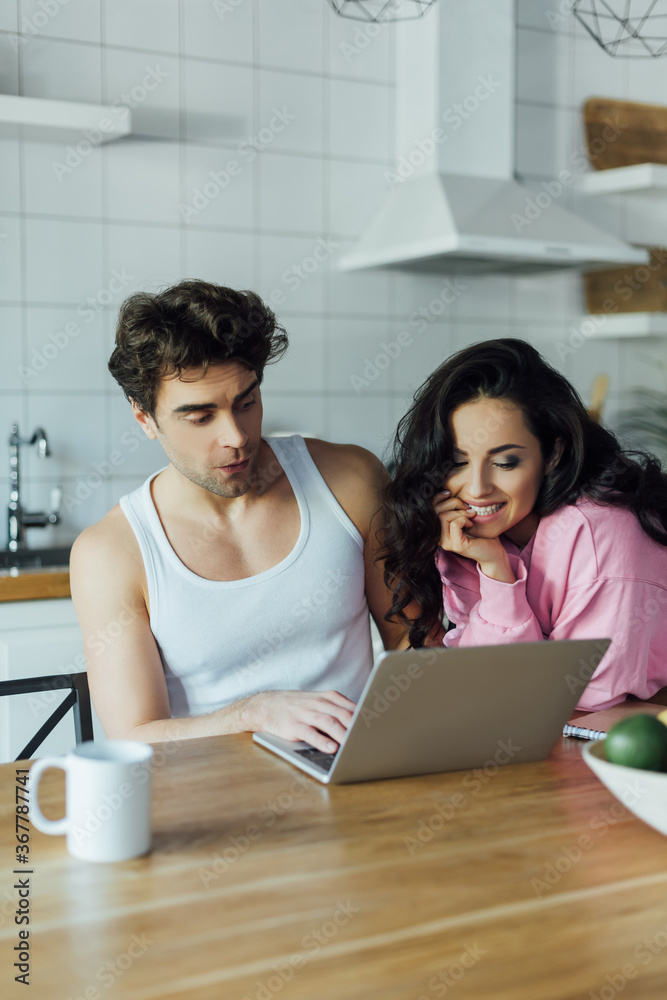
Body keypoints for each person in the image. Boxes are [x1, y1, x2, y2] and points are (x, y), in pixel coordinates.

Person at [70, 280, 406, 751]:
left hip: (355, 780)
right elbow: (134, 735)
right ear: (144, 418)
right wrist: (253, 713)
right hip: (213, 802)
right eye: (200, 417)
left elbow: (413, 645)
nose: (236, 436)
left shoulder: (350, 480)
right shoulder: (111, 553)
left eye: (246, 402)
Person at [381, 338, 667, 711]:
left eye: (506, 463)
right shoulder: (477, 537)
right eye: (457, 462)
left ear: (553, 455)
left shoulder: (604, 535)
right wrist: (496, 569)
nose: (477, 488)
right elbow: (482, 680)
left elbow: (583, 697)